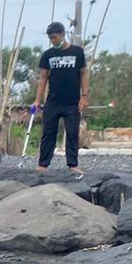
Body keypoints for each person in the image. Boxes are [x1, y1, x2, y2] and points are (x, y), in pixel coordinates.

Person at [34, 22, 88, 175]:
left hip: (72, 102)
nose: (53, 41)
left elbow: (83, 74)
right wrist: (37, 100)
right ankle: (43, 164)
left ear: (63, 34)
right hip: (53, 101)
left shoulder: (77, 52)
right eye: (51, 38)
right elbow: (43, 78)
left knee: (72, 132)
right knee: (48, 132)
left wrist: (84, 96)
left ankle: (72, 164)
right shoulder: (48, 55)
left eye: (55, 37)